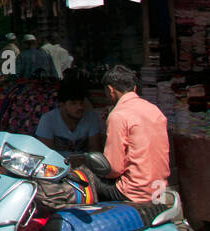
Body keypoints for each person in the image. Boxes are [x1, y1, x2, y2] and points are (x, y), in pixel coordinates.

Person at [97, 65, 170, 203]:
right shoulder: (155, 110)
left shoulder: (118, 115)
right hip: (158, 189)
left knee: (85, 179)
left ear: (110, 90)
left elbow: (113, 168)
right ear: (135, 88)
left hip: (134, 192)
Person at [35, 79, 104, 154]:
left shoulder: (92, 117)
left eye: (81, 103)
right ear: (62, 105)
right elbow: (46, 153)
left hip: (84, 164)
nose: (80, 107)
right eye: (73, 103)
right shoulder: (48, 120)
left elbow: (95, 151)